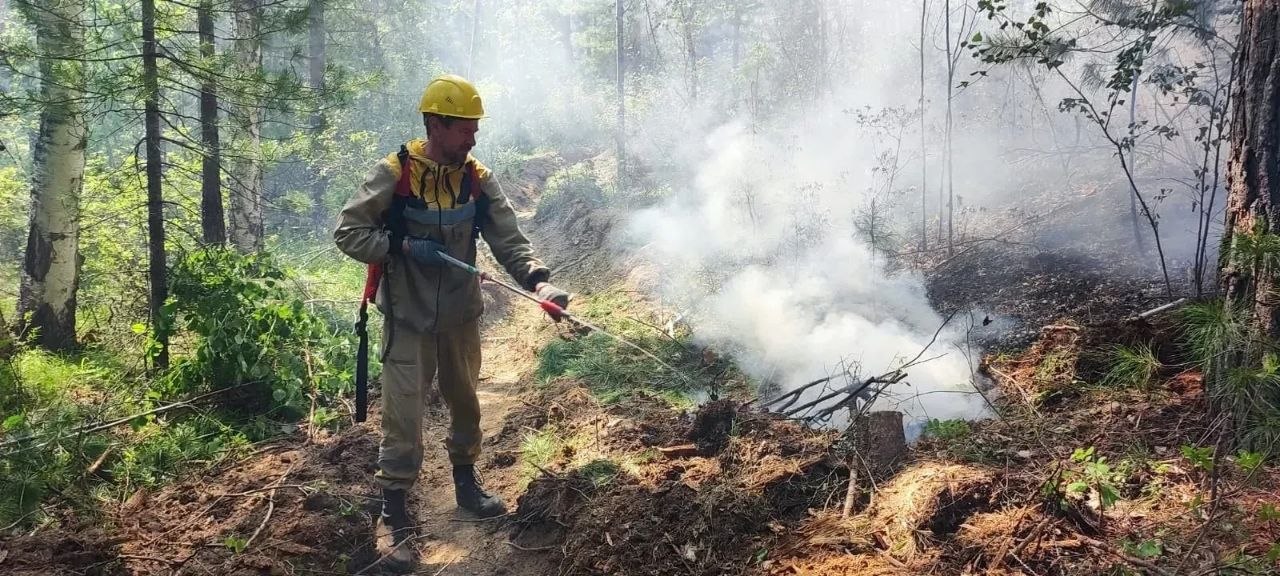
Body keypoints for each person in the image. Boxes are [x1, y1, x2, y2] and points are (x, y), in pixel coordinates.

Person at [333, 74, 569, 568]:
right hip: (407, 321)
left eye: (475, 128)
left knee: (465, 404)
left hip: (461, 316)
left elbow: (509, 239)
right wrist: (399, 246)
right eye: (465, 128)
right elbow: (349, 233)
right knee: (403, 416)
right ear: (435, 124)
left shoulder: (477, 179)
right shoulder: (393, 175)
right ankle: (394, 517)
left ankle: (466, 485)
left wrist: (538, 282)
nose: (473, 138)